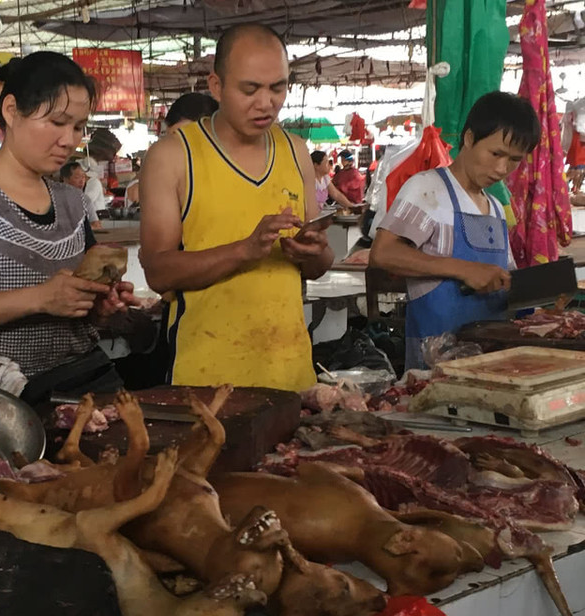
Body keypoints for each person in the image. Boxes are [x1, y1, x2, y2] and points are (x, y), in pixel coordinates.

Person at [0, 51, 134, 404]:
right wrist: (41, 298)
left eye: (77, 127)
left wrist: (100, 306)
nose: (69, 140)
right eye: (57, 122)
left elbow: (78, 304)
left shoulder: (73, 202)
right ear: (11, 111)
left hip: (82, 382)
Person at [139, 23, 330, 391]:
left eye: (278, 88)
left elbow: (317, 267)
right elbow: (158, 272)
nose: (266, 103)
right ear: (216, 86)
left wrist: (315, 251)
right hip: (205, 384)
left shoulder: (295, 151)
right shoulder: (174, 156)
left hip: (291, 378)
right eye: (250, 89)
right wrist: (244, 250)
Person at [368, 90, 540, 370]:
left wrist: (540, 303)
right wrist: (464, 269)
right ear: (469, 138)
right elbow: (383, 253)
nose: (502, 168)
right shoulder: (427, 188)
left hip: (491, 361)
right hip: (436, 364)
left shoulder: (496, 209)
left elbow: (506, 280)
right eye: (495, 153)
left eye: (514, 159)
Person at [127, 93, 220, 208]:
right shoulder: (168, 162)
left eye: (187, 138)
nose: (179, 146)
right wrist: (139, 183)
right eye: (173, 138)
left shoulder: (227, 173)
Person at [82, 128, 120, 213]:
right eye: (113, 152)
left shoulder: (94, 168)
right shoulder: (90, 171)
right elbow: (86, 202)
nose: (114, 155)